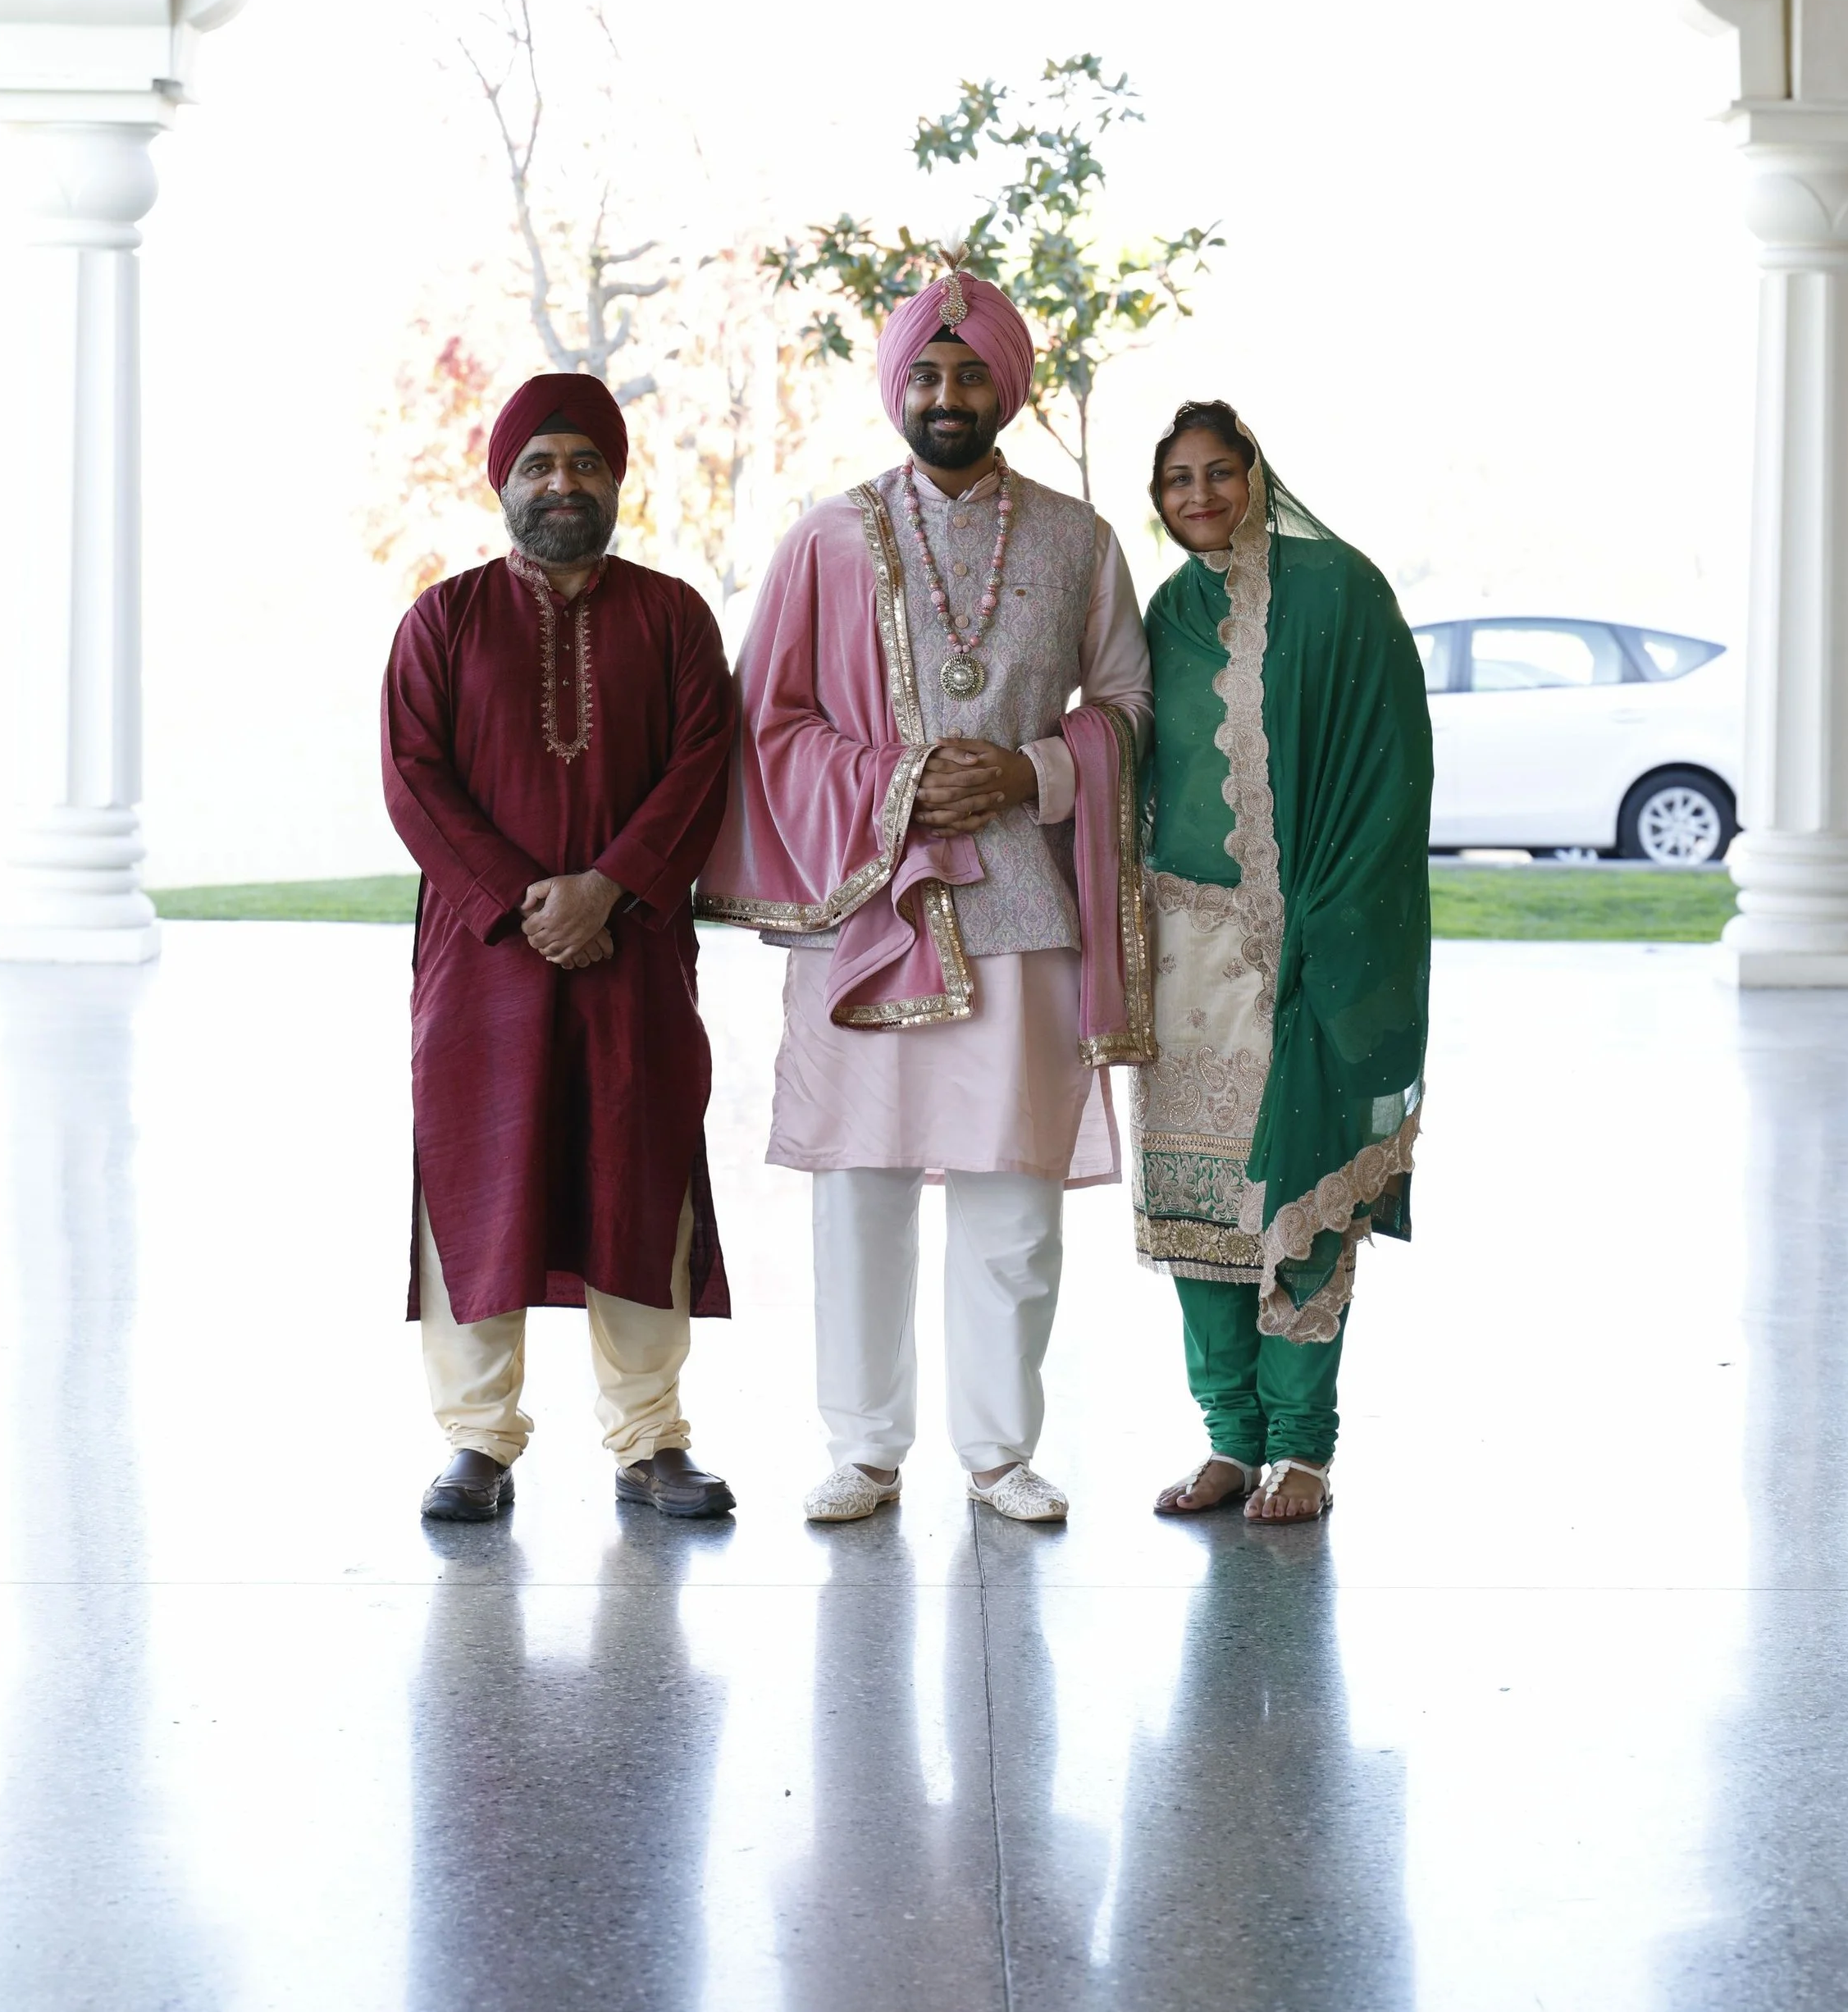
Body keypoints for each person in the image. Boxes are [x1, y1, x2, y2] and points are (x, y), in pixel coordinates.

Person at [700, 265, 1153, 1526]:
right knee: (864, 1187)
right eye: (927, 376)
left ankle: (1001, 1454)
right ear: (898, 389)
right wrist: (898, 782)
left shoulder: (1080, 539)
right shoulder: (828, 538)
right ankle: (864, 1446)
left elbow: (1128, 709)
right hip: (869, 912)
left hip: (1023, 909)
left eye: (970, 375)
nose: (947, 395)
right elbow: (770, 722)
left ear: (1008, 387)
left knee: (1012, 1195)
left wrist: (1033, 769)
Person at [381, 372, 739, 1523]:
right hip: (483, 959)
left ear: (616, 477)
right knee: (477, 1175)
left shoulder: (675, 618)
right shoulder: (443, 619)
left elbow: (701, 772)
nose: (563, 482)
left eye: (584, 462)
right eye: (539, 465)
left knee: (638, 1176)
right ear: (504, 484)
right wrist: (521, 900)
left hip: (631, 954)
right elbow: (413, 780)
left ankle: (651, 1440)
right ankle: (477, 1443)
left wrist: (608, 890)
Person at [1135, 400, 1430, 1523]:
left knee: (1298, 1195)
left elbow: (1393, 772)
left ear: (1259, 475)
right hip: (1180, 951)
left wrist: (1334, 920)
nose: (1198, 495)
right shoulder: (1166, 610)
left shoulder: (1338, 595)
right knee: (1200, 1206)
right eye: (1176, 480)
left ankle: (1302, 1452)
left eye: (1219, 472)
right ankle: (1226, 1442)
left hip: (1309, 945)